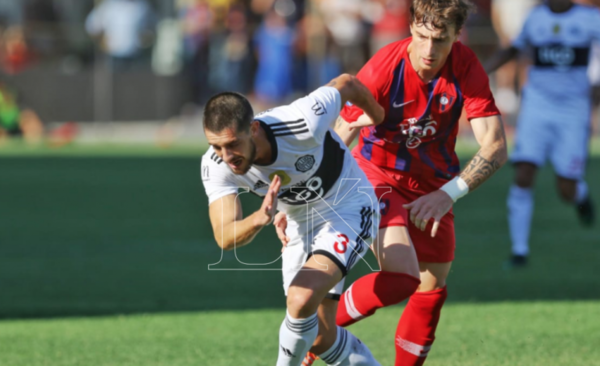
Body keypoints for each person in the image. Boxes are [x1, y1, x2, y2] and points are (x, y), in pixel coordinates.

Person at [287, 1, 508, 365]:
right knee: (403, 275)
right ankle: (316, 328)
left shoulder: (466, 66)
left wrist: (447, 194)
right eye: (421, 37)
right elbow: (341, 135)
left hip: (433, 184)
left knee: (431, 288)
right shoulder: (384, 68)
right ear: (411, 28)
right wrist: (302, 197)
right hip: (376, 176)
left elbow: (496, 146)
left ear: (456, 35)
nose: (428, 50)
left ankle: (319, 329)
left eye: (440, 40)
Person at [200, 73, 387, 366]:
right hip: (300, 222)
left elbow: (347, 83)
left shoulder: (302, 121)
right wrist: (259, 219)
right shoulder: (215, 165)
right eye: (216, 146)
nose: (226, 156)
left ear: (254, 128)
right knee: (320, 337)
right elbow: (224, 237)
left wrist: (378, 117)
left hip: (349, 208)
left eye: (233, 144)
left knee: (300, 299)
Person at [485, 0, 600, 267]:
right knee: (524, 171)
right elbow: (512, 49)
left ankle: (581, 196)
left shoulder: (589, 18)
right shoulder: (534, 17)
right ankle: (519, 251)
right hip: (537, 105)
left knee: (566, 187)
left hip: (573, 109)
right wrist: (478, 73)